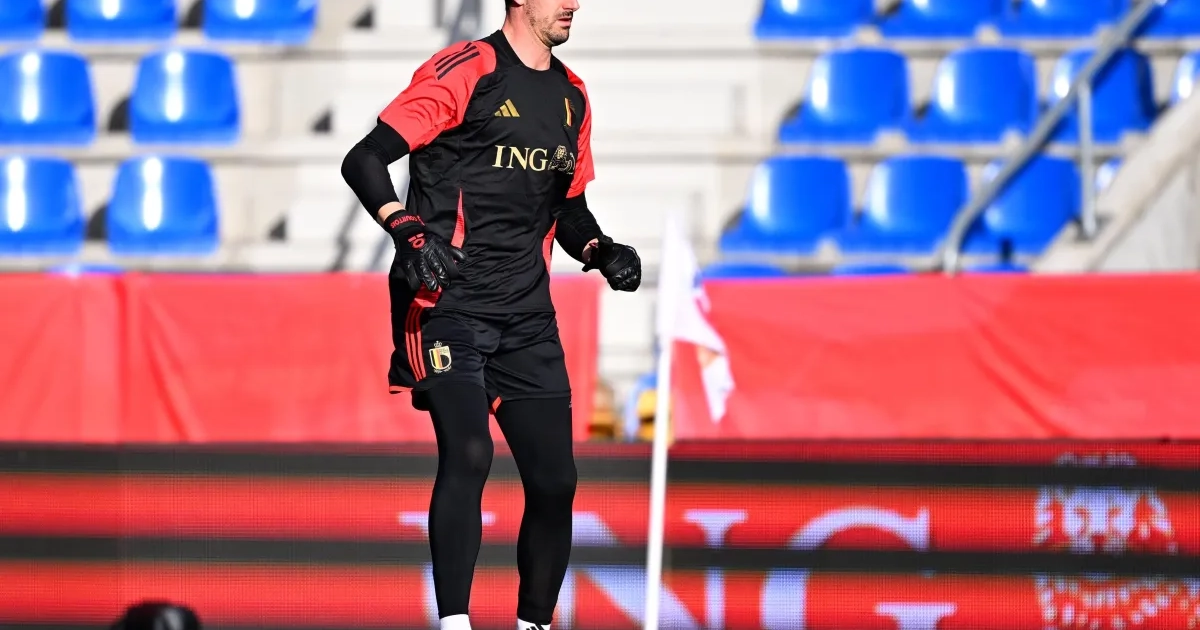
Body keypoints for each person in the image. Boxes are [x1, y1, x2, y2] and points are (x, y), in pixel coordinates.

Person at [340, 1, 642, 629]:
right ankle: (455, 622)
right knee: (470, 451)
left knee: (556, 482)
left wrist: (599, 248)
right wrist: (408, 231)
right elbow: (363, 160)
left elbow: (568, 209)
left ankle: (534, 623)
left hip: (527, 316)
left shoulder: (572, 95)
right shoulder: (468, 69)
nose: (574, 4)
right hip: (446, 304)